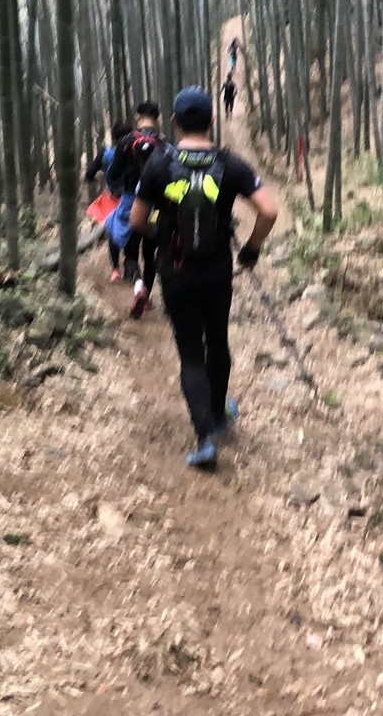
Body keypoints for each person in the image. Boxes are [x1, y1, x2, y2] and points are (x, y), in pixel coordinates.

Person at [130, 85, 277, 471]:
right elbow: (269, 211)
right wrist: (250, 249)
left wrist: (163, 234)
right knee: (218, 341)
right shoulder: (230, 164)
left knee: (191, 354)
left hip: (176, 272)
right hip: (216, 271)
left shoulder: (160, 164)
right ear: (212, 120)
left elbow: (136, 220)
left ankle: (205, 438)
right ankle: (217, 414)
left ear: (175, 122)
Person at [105, 100, 166, 314]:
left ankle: (138, 286)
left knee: (131, 253)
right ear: (158, 118)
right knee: (150, 254)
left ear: (138, 116)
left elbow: (112, 174)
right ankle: (147, 296)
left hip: (131, 201)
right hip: (157, 205)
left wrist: (118, 188)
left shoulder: (125, 142)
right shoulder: (165, 144)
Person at [87, 120, 132, 281]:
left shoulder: (105, 153)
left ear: (113, 136)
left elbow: (89, 175)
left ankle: (115, 269)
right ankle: (131, 266)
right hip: (131, 198)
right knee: (131, 231)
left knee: (113, 233)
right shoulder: (136, 152)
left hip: (110, 199)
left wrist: (100, 176)